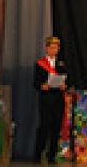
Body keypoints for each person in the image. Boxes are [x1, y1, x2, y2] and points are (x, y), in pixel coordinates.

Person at [33, 36, 68, 164]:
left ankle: (52, 155)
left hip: (58, 98)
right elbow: (35, 83)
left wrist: (64, 85)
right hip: (46, 98)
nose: (54, 50)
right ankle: (38, 154)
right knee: (44, 126)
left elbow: (67, 79)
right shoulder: (40, 64)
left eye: (56, 47)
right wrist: (42, 86)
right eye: (52, 47)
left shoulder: (61, 64)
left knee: (56, 127)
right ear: (47, 48)